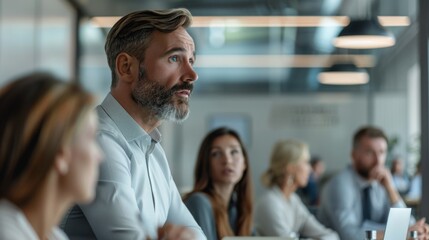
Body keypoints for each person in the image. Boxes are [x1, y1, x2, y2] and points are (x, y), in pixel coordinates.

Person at [61, 8, 206, 240]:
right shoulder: (99, 141)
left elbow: (194, 235)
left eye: (191, 60)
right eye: (174, 58)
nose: (192, 74)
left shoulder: (152, 149)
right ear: (126, 68)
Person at [0, 72, 103, 240]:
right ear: (61, 153)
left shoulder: (54, 236)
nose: (99, 156)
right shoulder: (6, 232)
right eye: (91, 138)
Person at [318, 126, 429, 240]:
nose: (378, 160)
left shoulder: (381, 183)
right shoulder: (339, 185)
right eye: (369, 152)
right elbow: (350, 236)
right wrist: (399, 234)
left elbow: (408, 225)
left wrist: (391, 189)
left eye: (382, 152)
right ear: (353, 155)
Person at [254, 139, 339, 240]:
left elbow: (331, 235)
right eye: (306, 162)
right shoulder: (269, 203)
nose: (310, 169)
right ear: (290, 168)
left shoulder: (293, 200)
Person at [183, 127, 253, 240]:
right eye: (216, 154)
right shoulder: (199, 202)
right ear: (206, 164)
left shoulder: (235, 206)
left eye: (234, 152)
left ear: (244, 163)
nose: (227, 160)